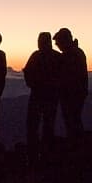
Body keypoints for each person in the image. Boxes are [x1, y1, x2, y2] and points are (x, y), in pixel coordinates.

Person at [23, 32, 61, 162]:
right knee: (48, 124)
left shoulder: (36, 55)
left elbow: (27, 71)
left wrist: (32, 84)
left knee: (33, 124)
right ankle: (46, 153)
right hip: (51, 96)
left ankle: (33, 154)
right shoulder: (57, 56)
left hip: (38, 95)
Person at [53, 27, 88, 139]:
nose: (57, 45)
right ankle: (76, 143)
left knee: (72, 119)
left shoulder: (71, 55)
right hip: (76, 92)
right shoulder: (76, 52)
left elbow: (68, 75)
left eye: (58, 42)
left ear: (65, 40)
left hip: (72, 93)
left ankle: (76, 145)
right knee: (74, 119)